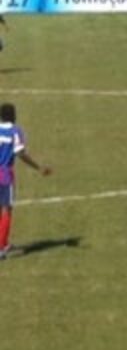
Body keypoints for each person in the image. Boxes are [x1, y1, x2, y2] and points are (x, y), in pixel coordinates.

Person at [0, 102, 52, 259]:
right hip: (4, 174)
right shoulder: (16, 132)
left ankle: (4, 243)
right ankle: (1, 247)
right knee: (6, 209)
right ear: (13, 116)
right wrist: (39, 167)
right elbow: (21, 154)